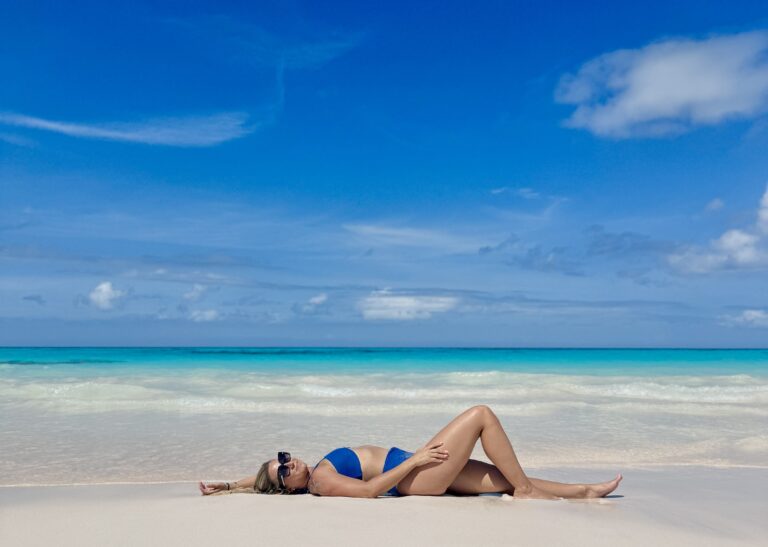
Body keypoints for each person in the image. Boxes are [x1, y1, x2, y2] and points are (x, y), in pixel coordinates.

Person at [199, 405, 622, 500]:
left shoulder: (311, 472)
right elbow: (368, 494)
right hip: (414, 475)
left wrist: (228, 485)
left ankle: (582, 492)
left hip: (415, 467)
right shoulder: (321, 481)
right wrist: (416, 461)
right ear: (288, 487)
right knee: (481, 415)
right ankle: (530, 493)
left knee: (502, 481)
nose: (290, 463)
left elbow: (259, 484)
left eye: (284, 456)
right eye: (284, 470)